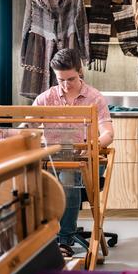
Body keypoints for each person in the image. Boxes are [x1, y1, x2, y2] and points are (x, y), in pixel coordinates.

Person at [32, 48, 114, 256]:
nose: (66, 85)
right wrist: (5, 134)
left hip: (85, 159)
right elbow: (27, 127)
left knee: (67, 176)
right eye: (61, 80)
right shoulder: (45, 99)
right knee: (34, 179)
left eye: (71, 79)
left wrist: (90, 147)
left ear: (80, 71)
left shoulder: (95, 98)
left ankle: (64, 239)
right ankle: (39, 238)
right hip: (53, 158)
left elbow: (108, 133)